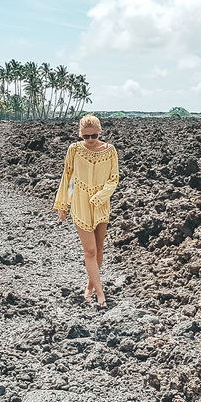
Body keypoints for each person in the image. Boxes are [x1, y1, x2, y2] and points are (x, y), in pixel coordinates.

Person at [52, 114, 120, 309]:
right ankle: (100, 294)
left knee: (99, 250)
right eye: (86, 136)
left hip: (101, 203)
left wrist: (100, 197)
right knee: (89, 250)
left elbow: (114, 178)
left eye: (94, 136)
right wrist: (63, 204)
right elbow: (68, 177)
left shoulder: (110, 151)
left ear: (100, 133)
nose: (90, 140)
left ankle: (90, 287)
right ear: (79, 134)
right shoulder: (74, 150)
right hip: (80, 203)